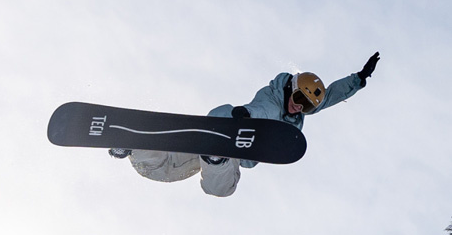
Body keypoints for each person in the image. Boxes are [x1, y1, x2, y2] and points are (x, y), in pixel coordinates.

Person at [108, 53, 380, 197]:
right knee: (215, 185)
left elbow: (330, 96)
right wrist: (244, 119)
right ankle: (216, 154)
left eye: (307, 106)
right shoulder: (274, 98)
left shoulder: (296, 109)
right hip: (231, 131)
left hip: (219, 154)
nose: (300, 107)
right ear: (292, 88)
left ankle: (134, 145)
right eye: (299, 99)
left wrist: (358, 79)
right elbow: (262, 111)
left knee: (192, 180)